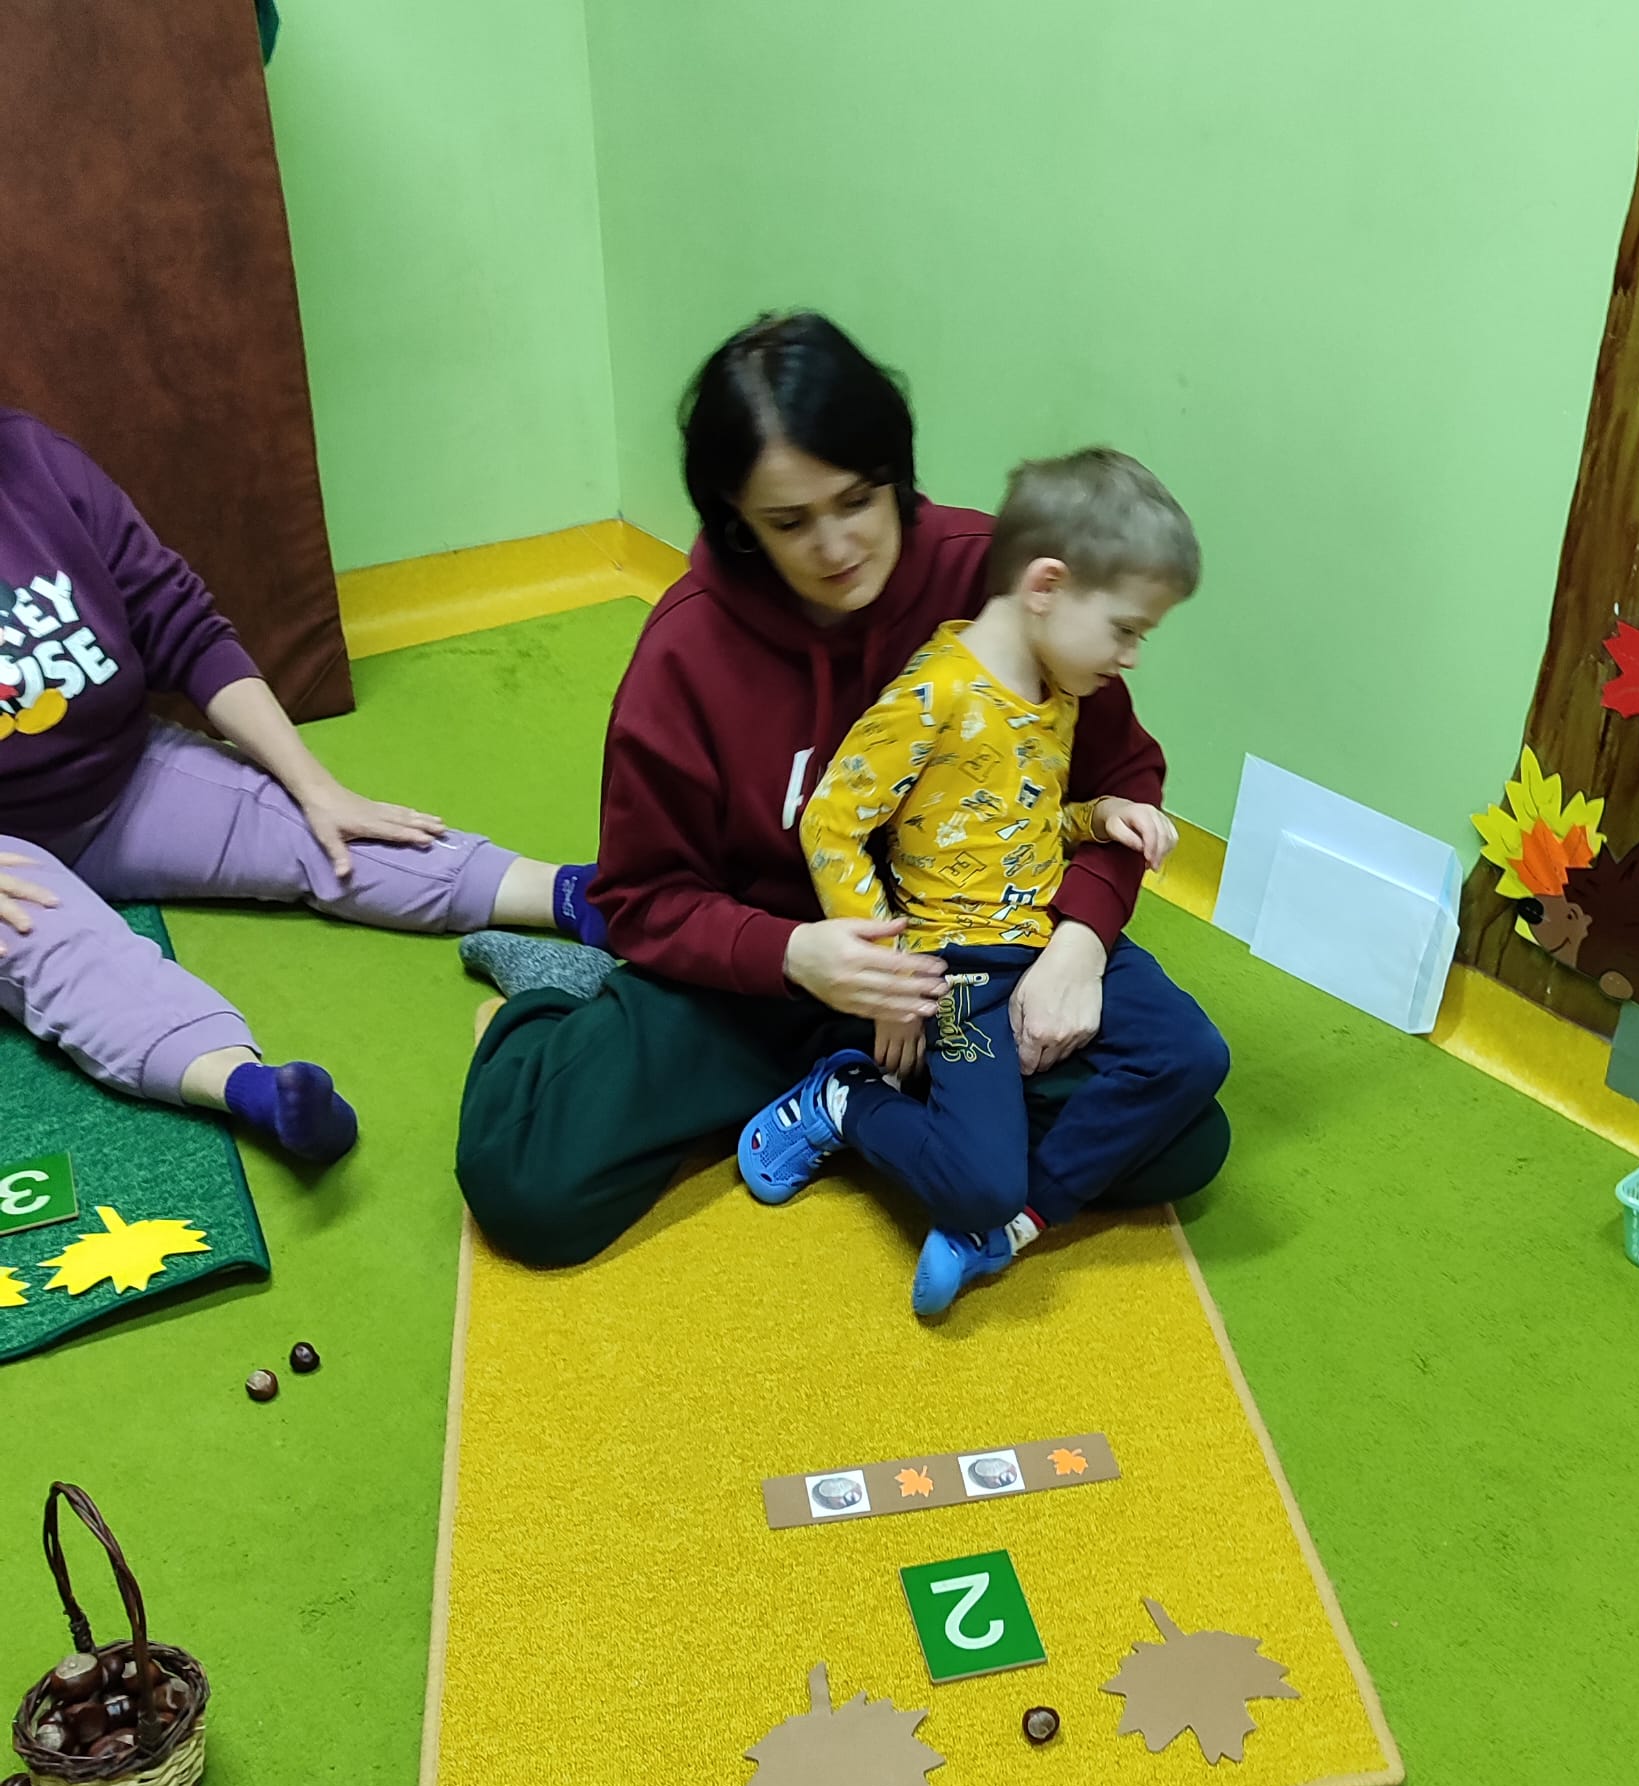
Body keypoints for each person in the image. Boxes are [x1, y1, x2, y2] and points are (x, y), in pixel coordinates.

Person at [455, 313, 1230, 1265]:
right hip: (763, 972)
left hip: (963, 970)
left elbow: (1120, 777)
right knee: (524, 1181)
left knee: (1183, 1139)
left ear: (895, 473)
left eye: (857, 500)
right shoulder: (686, 652)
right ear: (737, 520)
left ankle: (855, 1105)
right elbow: (644, 897)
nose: (834, 546)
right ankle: (560, 1001)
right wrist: (792, 954)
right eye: (789, 522)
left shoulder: (999, 581)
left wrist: (1081, 941)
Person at [0, 406, 604, 1163]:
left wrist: (316, 787)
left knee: (323, 831)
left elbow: (181, 625)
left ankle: (583, 895)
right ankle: (252, 1091)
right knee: (58, 950)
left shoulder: (35, 456)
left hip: (121, 771)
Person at [739, 449, 1226, 1315]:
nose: (1132, 656)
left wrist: (1101, 815)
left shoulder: (1060, 689)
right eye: (1125, 630)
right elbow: (831, 824)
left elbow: (1016, 819)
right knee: (975, 1179)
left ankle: (1014, 1226)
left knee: (1193, 1056)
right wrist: (892, 983)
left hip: (1046, 934)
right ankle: (847, 1103)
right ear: (1046, 586)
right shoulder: (935, 694)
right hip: (959, 972)